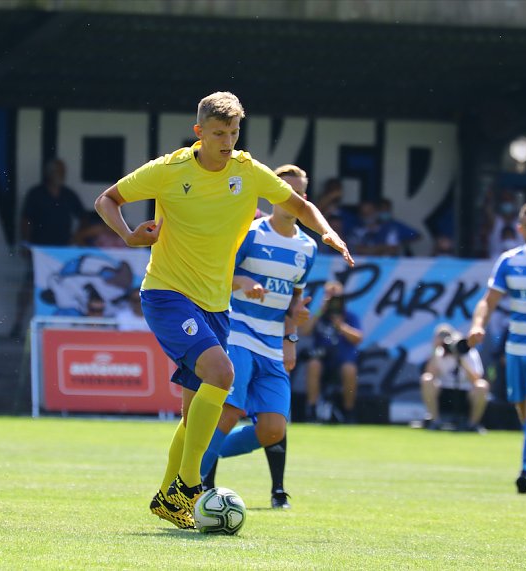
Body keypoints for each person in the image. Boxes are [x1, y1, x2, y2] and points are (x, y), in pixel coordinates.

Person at [94, 91, 353, 529]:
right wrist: (128, 235)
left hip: (216, 304)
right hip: (167, 293)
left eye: (233, 132)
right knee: (223, 374)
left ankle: (167, 497)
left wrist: (327, 233)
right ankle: (192, 485)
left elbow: (300, 206)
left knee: (194, 410)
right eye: (218, 133)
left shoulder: (248, 172)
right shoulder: (169, 168)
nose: (227, 140)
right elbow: (107, 200)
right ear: (199, 133)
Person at [198, 164, 316, 510]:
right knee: (230, 410)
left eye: (297, 193)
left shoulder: (308, 248)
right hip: (237, 333)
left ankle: (203, 451)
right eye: (284, 191)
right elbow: (218, 273)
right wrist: (242, 283)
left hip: (273, 344)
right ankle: (189, 485)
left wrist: (292, 335)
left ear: (303, 199)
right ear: (273, 195)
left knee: (272, 430)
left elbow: (295, 300)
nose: (290, 198)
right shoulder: (251, 233)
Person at [467, 199, 526, 494]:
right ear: (520, 229)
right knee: (523, 411)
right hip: (516, 349)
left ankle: (525, 473)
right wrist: (478, 325)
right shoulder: (510, 261)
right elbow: (488, 301)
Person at [10, 158, 85, 338]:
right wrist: (26, 243)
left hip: (62, 251)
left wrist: (75, 239)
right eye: (58, 172)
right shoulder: (36, 193)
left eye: (62, 172)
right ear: (49, 173)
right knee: (29, 285)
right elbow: (26, 219)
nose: (61, 176)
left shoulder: (68, 194)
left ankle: (59, 324)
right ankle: (18, 323)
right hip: (39, 250)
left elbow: (83, 217)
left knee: (63, 284)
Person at [301, 280, 364, 423]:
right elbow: (304, 331)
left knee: (350, 370)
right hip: (322, 357)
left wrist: (340, 325)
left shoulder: (349, 316)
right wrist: (319, 311)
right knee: (313, 365)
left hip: (343, 359)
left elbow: (358, 338)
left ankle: (349, 411)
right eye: (329, 295)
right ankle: (311, 409)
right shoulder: (319, 315)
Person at [419, 324, 490, 432]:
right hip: (444, 391)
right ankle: (435, 421)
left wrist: (460, 358)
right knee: (426, 379)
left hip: (465, 392)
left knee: (482, 385)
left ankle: (473, 424)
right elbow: (430, 373)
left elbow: (476, 379)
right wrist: (435, 349)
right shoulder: (438, 353)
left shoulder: (469, 352)